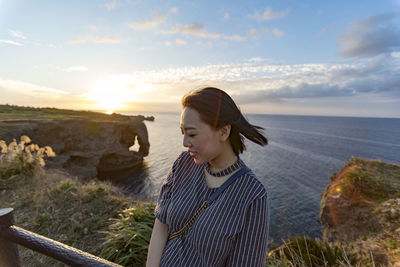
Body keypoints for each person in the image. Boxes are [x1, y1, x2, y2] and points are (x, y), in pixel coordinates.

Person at [146, 87, 269, 267]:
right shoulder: (182, 164)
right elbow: (161, 225)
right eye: (183, 132)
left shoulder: (253, 195)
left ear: (224, 132)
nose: (185, 143)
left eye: (192, 134)